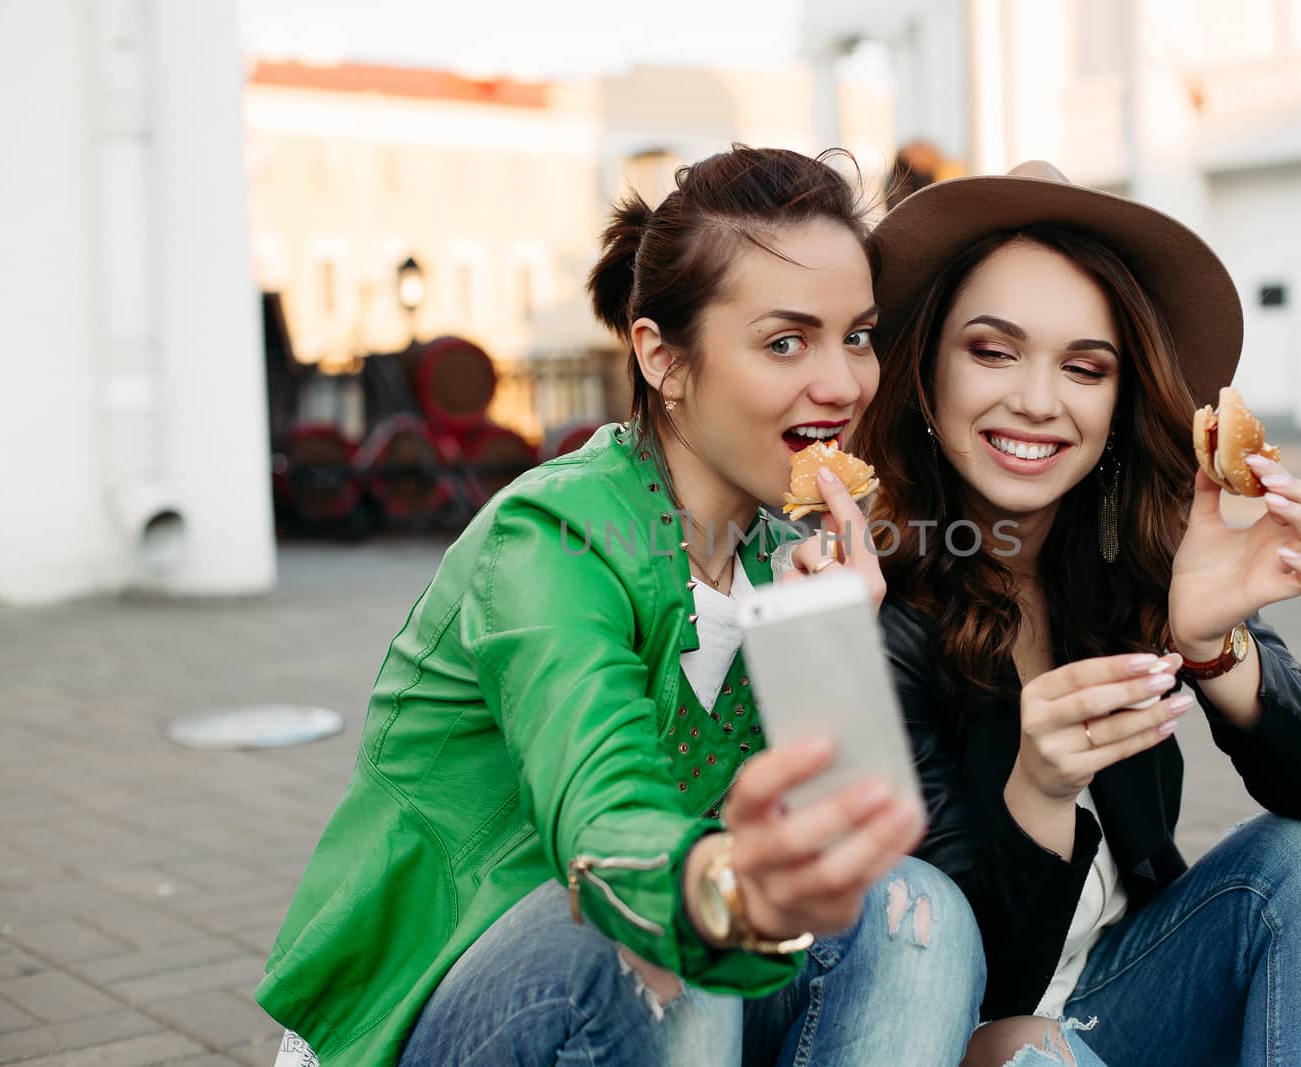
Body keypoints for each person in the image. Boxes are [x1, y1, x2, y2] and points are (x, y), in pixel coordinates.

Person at [255, 146, 986, 1066]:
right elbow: (603, 823)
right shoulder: (548, 539)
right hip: (438, 1008)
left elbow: (829, 838)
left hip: (669, 1004)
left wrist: (830, 648)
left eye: (857, 334)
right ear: (663, 358)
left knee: (916, 912)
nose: (843, 384)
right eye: (785, 341)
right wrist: (721, 888)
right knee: (658, 948)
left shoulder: (784, 560)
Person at [851, 161, 1301, 1067]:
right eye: (992, 350)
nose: (1036, 398)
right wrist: (1040, 789)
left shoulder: (1136, 556)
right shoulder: (871, 602)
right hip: (980, 1035)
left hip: (1136, 993)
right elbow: (951, 983)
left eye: (1084, 366)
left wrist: (1214, 645)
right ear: (924, 369)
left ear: (1118, 400)